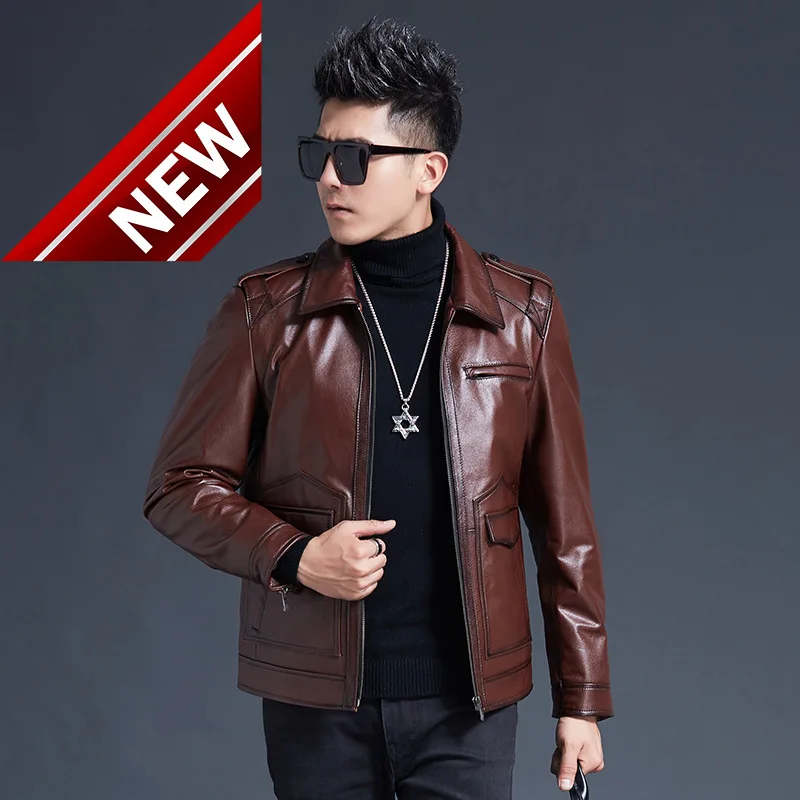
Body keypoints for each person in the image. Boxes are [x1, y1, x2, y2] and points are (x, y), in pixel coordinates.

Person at [142, 14, 614, 800]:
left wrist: (582, 699)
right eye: (321, 153)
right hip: (316, 703)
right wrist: (295, 555)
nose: (331, 178)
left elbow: (567, 529)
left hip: (470, 709)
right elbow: (178, 486)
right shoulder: (266, 313)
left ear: (430, 170)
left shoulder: (523, 315)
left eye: (357, 158)